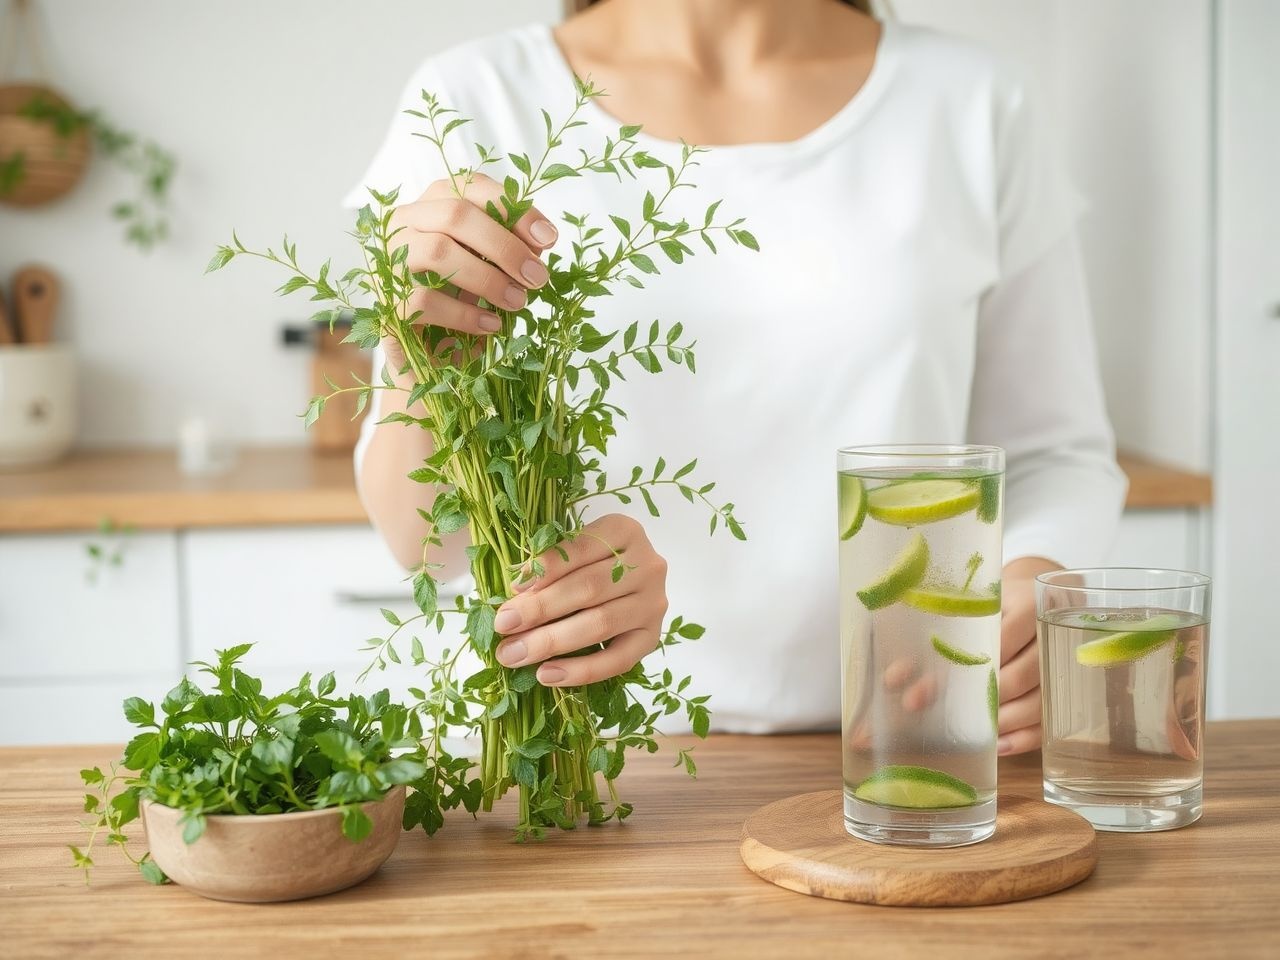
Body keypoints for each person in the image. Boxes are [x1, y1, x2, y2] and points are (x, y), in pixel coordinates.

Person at [346, 0, 1127, 756]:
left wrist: (1034, 584)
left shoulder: (974, 101)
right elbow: (425, 544)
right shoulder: (472, 98)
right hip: (583, 759)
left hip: (908, 754)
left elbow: (1055, 456)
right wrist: (419, 362)